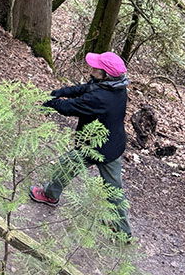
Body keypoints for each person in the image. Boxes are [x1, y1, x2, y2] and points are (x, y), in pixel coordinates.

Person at [29, 51, 132, 238]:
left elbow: (71, 107)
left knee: (67, 167)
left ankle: (50, 195)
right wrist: (62, 92)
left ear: (106, 74)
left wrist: (51, 103)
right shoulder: (115, 86)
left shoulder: (102, 97)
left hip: (96, 147)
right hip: (113, 144)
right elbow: (85, 88)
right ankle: (123, 230)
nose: (92, 70)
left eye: (96, 68)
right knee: (113, 189)